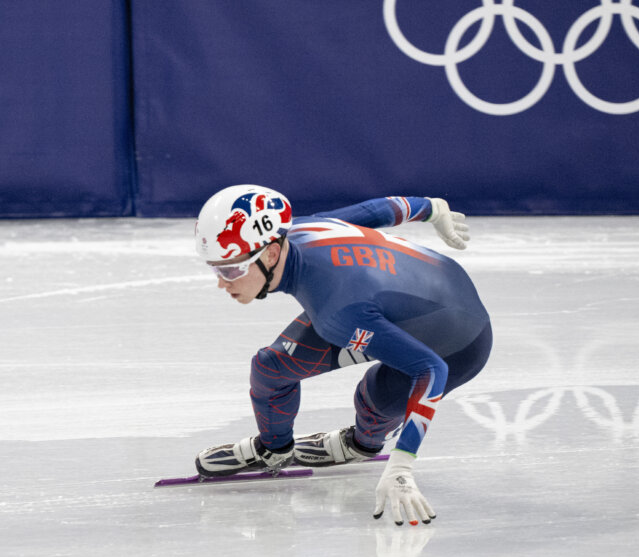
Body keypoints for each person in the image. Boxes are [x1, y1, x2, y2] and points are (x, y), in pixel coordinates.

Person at [192, 185, 492, 526]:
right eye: (215, 269)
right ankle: (273, 449)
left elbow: (431, 368)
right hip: (397, 296)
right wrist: (431, 208)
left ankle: (364, 443)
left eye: (230, 270)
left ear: (271, 254)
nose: (221, 282)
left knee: (374, 397)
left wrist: (403, 462)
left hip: (459, 343)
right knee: (270, 367)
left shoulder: (337, 313)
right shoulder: (300, 230)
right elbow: (375, 210)